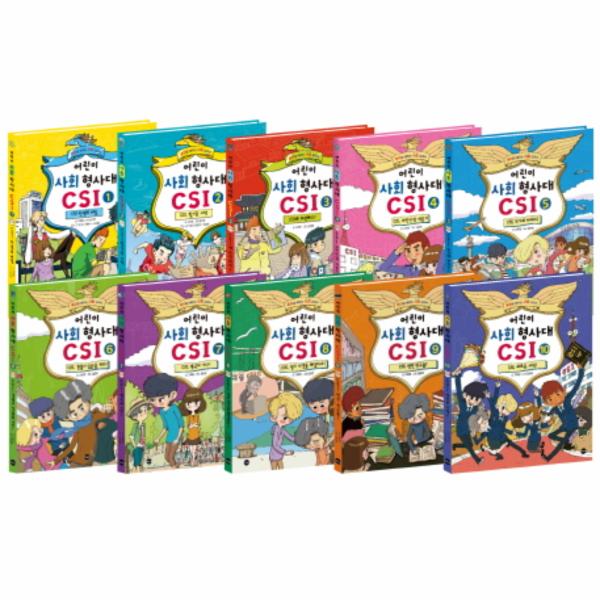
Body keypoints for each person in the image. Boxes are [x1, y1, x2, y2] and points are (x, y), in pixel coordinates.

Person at [52, 380, 114, 467]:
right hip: (82, 459)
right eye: (74, 413)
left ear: (88, 400)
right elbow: (71, 447)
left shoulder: (97, 415)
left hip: (99, 457)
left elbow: (109, 416)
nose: (80, 413)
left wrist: (109, 410)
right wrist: (56, 460)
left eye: (81, 408)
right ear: (68, 417)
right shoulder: (78, 429)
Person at [540, 363, 586, 462]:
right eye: (550, 399)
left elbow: (577, 385)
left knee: (561, 444)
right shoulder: (555, 408)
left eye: (558, 394)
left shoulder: (567, 399)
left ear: (563, 392)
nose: (556, 400)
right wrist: (544, 414)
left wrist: (581, 370)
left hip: (572, 426)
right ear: (547, 402)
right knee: (551, 435)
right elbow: (548, 414)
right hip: (564, 426)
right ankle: (566, 442)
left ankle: (548, 457)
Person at [145, 373, 184, 468]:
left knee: (170, 457)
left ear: (173, 395)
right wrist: (158, 438)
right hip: (169, 436)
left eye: (161, 399)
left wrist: (177, 438)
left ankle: (175, 468)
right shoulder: (162, 412)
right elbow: (165, 427)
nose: (156, 403)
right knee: (166, 457)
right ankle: (177, 466)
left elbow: (181, 425)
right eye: (152, 400)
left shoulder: (174, 408)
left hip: (176, 435)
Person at [451, 369, 487, 464]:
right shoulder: (462, 403)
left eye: (477, 400)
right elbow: (458, 389)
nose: (474, 401)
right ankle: (477, 460)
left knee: (469, 445)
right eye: (471, 398)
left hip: (468, 429)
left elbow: (477, 416)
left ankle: (455, 446)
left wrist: (479, 422)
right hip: (461, 430)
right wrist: (457, 376)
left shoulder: (475, 408)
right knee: (469, 447)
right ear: (465, 395)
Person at [267, 392, 303, 470]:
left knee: (281, 468)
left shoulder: (282, 430)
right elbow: (275, 445)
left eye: (290, 418)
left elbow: (291, 438)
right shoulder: (276, 430)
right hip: (274, 455)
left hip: (279, 455)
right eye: (285, 417)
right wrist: (285, 452)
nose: (288, 420)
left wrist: (301, 439)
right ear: (273, 418)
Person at [128, 398, 152, 472]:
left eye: (145, 410)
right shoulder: (135, 425)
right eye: (141, 411)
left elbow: (143, 435)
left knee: (140, 456)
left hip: (141, 444)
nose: (144, 413)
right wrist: (134, 445)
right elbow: (131, 436)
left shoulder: (143, 425)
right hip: (136, 445)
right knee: (137, 456)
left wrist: (144, 444)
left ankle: (135, 468)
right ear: (135, 416)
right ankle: (137, 467)